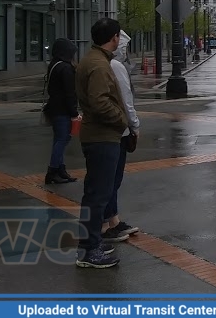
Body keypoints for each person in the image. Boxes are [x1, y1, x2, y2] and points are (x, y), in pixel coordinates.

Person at [74, 17, 128, 269]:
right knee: (98, 195)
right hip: (102, 137)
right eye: (118, 36)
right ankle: (88, 250)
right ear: (114, 37)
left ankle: (90, 243)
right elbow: (100, 102)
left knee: (95, 194)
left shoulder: (94, 60)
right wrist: (122, 121)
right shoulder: (98, 65)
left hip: (98, 136)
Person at [101, 29, 141, 242]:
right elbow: (126, 101)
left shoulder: (100, 63)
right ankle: (106, 223)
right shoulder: (115, 66)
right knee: (112, 178)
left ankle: (113, 220)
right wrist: (134, 125)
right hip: (118, 130)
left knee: (109, 179)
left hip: (109, 130)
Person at [43, 38, 81, 185]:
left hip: (54, 108)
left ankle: (60, 169)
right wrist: (74, 113)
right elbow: (69, 93)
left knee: (58, 139)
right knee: (62, 140)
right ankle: (53, 171)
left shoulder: (54, 64)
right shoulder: (65, 68)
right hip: (63, 110)